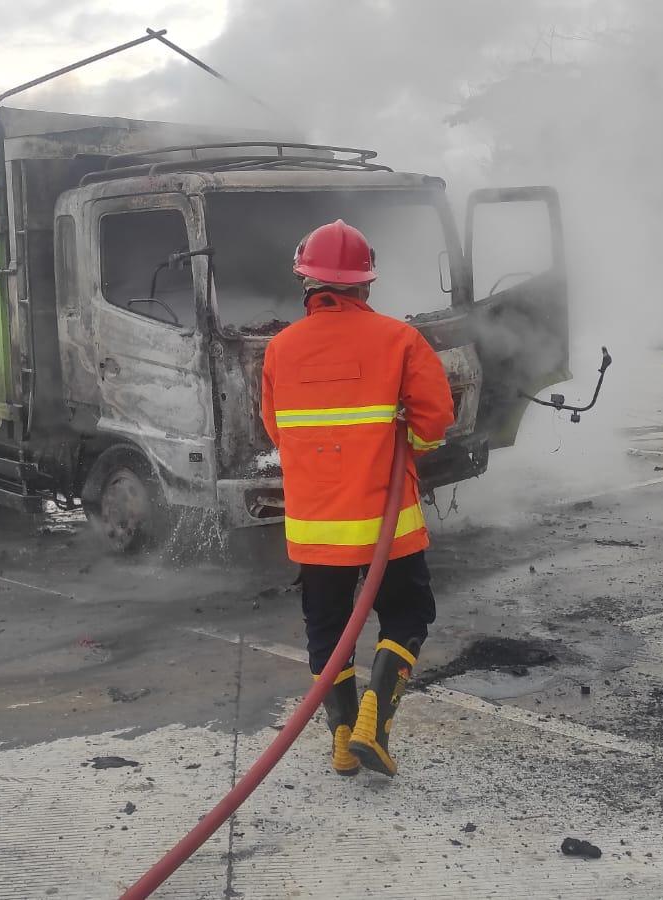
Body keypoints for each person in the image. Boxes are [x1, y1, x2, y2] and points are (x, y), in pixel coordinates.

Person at [261, 219, 455, 778]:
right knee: (409, 613)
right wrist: (403, 443)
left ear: (307, 284)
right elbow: (434, 419)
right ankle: (377, 719)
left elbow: (276, 431)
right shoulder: (400, 340)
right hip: (387, 527)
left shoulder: (280, 350)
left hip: (317, 530)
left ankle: (343, 740)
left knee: (327, 631)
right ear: (365, 285)